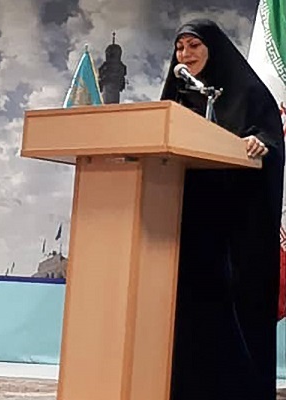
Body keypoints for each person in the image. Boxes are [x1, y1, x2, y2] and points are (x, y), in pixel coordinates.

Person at [160, 19, 285, 400]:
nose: (185, 55)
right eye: (180, 47)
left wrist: (260, 144)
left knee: (233, 316)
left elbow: (270, 141)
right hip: (186, 222)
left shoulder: (247, 92)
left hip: (235, 229)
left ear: (212, 48)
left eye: (194, 45)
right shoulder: (176, 99)